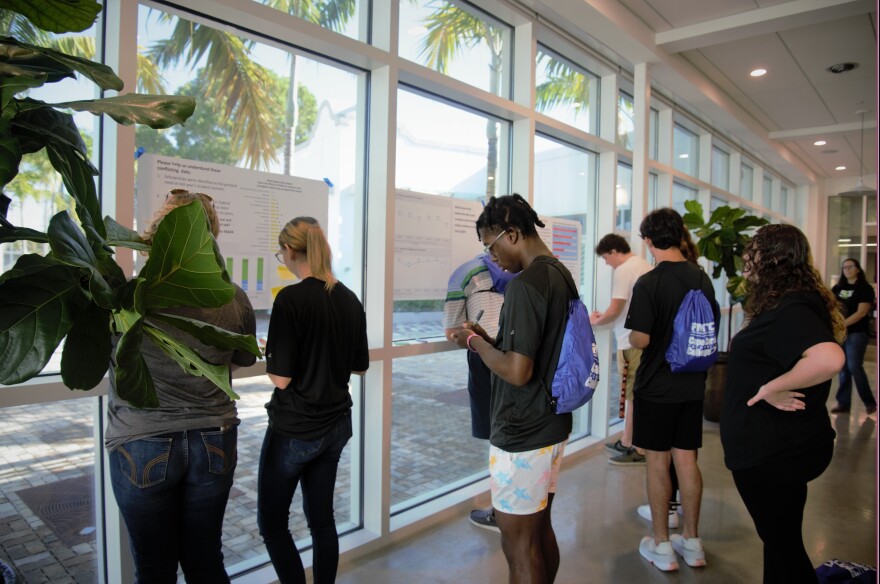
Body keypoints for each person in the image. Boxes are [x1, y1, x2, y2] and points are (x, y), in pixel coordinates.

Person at [105, 189, 257, 583]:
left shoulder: (130, 296)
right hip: (214, 438)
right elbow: (243, 358)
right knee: (205, 560)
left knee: (155, 568)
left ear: (157, 232)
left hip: (143, 439)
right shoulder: (233, 297)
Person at [451, 194, 573, 583]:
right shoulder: (559, 273)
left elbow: (518, 371)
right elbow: (538, 345)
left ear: (513, 234)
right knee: (539, 531)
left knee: (519, 546)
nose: (492, 256)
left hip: (523, 431)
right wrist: (492, 338)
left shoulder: (524, 286)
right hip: (552, 422)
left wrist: (474, 343)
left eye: (491, 245)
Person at [720, 224, 845, 584]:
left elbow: (829, 358)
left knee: (784, 546)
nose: (746, 257)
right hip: (783, 447)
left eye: (753, 250)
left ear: (773, 257)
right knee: (778, 541)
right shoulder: (795, 299)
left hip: (773, 452)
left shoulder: (791, 306)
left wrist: (774, 387)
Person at [258, 217, 369, 584]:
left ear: (290, 251)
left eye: (281, 252)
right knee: (322, 520)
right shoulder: (349, 298)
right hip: (336, 426)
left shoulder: (290, 299)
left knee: (273, 524)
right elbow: (360, 365)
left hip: (296, 428)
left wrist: (271, 353)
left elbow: (281, 378)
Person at [625, 208, 719, 572]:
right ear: (680, 235)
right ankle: (692, 542)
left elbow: (643, 338)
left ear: (648, 241)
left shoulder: (649, 283)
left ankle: (662, 544)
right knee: (687, 460)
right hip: (693, 383)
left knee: (657, 462)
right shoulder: (702, 278)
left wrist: (631, 334)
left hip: (656, 386)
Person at [443, 254, 514, 531]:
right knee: (513, 433)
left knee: (497, 438)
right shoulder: (530, 269)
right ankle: (518, 508)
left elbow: (452, 331)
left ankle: (502, 512)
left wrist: (472, 334)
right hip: (523, 356)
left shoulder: (464, 272)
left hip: (486, 358)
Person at [590, 233, 652, 466]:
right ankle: (629, 441)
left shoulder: (625, 269)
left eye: (606, 258)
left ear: (614, 251)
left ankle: (636, 446)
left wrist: (596, 320)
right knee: (635, 392)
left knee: (632, 393)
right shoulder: (643, 265)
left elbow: (616, 308)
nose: (606, 263)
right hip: (643, 339)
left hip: (630, 341)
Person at [830, 258, 877, 415]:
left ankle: (870, 403)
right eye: (844, 267)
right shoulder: (838, 288)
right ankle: (843, 403)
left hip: (857, 333)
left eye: (850, 267)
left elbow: (861, 313)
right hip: (841, 334)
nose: (847, 269)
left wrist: (841, 324)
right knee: (843, 369)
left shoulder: (864, 288)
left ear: (858, 269)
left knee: (854, 366)